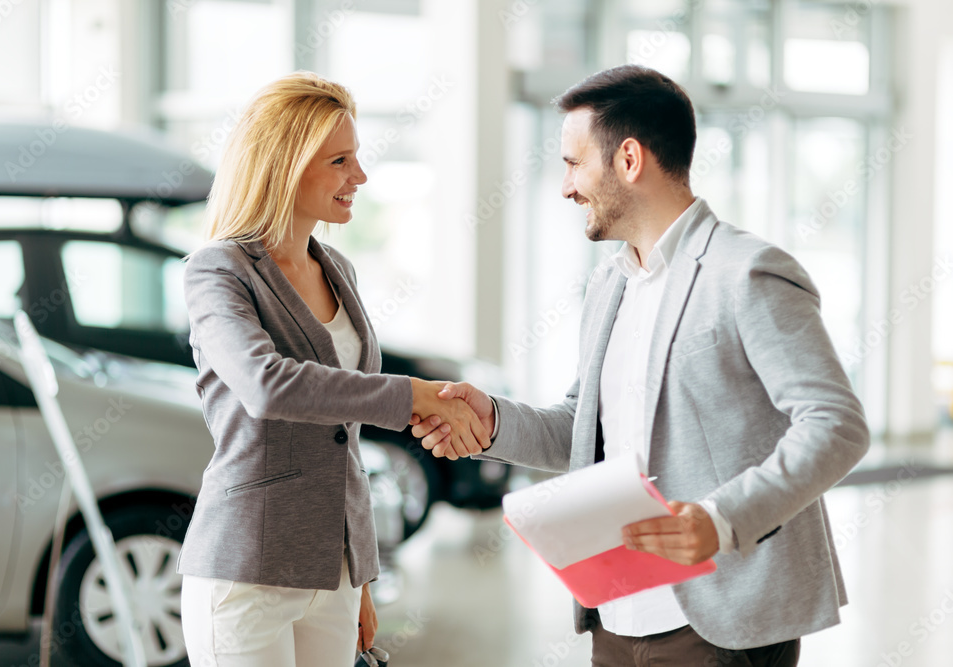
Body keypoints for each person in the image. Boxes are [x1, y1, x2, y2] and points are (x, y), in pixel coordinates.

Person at [413, 65, 869, 666]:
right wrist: (491, 421)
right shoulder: (610, 284)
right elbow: (584, 427)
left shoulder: (747, 273)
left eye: (574, 163)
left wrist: (721, 520)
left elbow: (836, 424)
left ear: (628, 159)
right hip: (617, 613)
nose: (565, 186)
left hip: (721, 621)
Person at [177, 72, 490, 667]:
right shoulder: (217, 271)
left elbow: (342, 440)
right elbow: (267, 385)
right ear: (285, 166)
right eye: (340, 160)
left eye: (358, 157)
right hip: (247, 570)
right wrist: (414, 395)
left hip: (334, 573)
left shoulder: (337, 266)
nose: (361, 177)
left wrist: (359, 574)